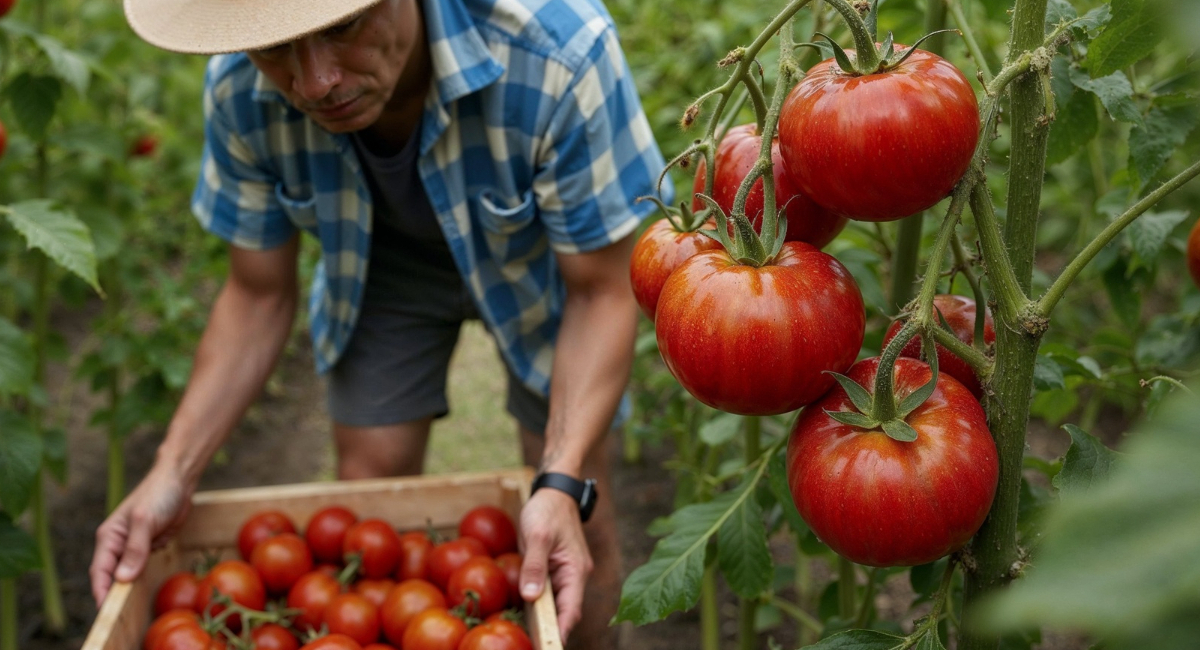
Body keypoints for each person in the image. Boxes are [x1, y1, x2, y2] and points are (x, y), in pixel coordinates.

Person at [88, 0, 670, 646]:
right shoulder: (240, 89)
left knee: (576, 515)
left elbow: (601, 294)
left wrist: (561, 479)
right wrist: (172, 470)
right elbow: (257, 295)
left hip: (550, 269)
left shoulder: (558, 51)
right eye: (277, 47)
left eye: (342, 28)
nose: (315, 83)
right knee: (370, 493)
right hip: (379, 269)